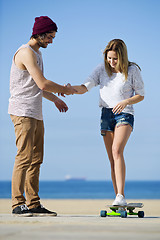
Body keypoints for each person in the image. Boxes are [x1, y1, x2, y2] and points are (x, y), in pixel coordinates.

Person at [8, 16, 76, 216]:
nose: (51, 41)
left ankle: (33, 204)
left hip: (35, 112)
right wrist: (65, 90)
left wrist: (55, 99)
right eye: (49, 36)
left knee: (36, 158)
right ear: (39, 33)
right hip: (22, 112)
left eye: (53, 37)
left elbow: (36, 87)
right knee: (24, 156)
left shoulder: (37, 53)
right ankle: (17, 203)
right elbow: (43, 83)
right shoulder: (25, 52)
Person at [65, 39, 144, 206]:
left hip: (124, 113)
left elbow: (141, 95)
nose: (112, 62)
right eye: (109, 58)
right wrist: (70, 89)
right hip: (106, 115)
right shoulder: (101, 69)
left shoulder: (132, 70)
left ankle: (121, 195)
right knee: (111, 158)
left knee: (117, 151)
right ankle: (118, 198)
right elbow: (85, 86)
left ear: (122, 56)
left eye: (115, 59)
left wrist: (125, 102)